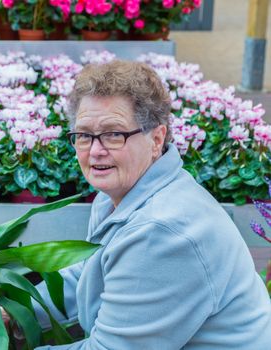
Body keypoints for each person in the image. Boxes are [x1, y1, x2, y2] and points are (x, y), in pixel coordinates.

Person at [33, 60, 271, 349]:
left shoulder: (163, 231)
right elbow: (86, 274)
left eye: (113, 134)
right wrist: (10, 311)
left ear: (156, 139)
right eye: (84, 135)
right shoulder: (119, 195)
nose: (95, 151)